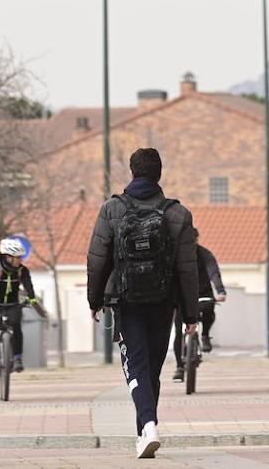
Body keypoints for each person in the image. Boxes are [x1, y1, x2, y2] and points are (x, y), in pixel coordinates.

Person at [87, 147, 199, 459]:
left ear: (133, 172)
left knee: (135, 363)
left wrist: (94, 300)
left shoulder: (112, 209)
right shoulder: (178, 213)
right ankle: (143, 433)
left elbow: (97, 260)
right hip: (164, 302)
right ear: (159, 174)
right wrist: (191, 314)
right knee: (152, 368)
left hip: (125, 300)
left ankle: (148, 425)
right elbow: (187, 270)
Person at [0, 237, 38, 379]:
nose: (20, 260)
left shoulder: (22, 270)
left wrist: (31, 298)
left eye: (21, 257)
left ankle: (17, 358)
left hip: (13, 304)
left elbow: (28, 285)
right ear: (8, 257)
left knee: (16, 325)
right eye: (17, 258)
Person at [173, 239, 227, 381]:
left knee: (209, 308)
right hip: (180, 296)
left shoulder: (204, 254)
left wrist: (220, 291)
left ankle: (205, 335)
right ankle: (179, 366)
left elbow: (213, 272)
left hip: (202, 294)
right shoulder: (175, 254)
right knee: (178, 330)